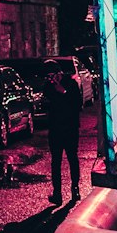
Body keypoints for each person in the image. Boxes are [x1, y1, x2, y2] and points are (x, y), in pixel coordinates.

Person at [42, 59, 82, 205]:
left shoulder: (71, 83)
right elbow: (46, 103)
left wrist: (63, 92)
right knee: (56, 161)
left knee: (72, 157)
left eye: (52, 74)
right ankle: (57, 193)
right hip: (55, 128)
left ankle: (75, 188)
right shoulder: (48, 86)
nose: (51, 78)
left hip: (70, 127)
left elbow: (78, 104)